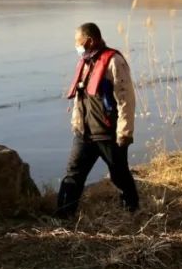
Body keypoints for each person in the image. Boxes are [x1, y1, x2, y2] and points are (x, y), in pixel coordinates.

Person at [56, 22, 139, 218]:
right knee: (73, 174)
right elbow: (80, 98)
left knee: (119, 175)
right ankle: (63, 216)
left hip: (108, 133)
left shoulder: (114, 61)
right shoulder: (85, 62)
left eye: (78, 42)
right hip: (84, 133)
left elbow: (126, 100)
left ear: (90, 40)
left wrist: (124, 132)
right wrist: (76, 123)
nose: (76, 46)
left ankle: (132, 210)